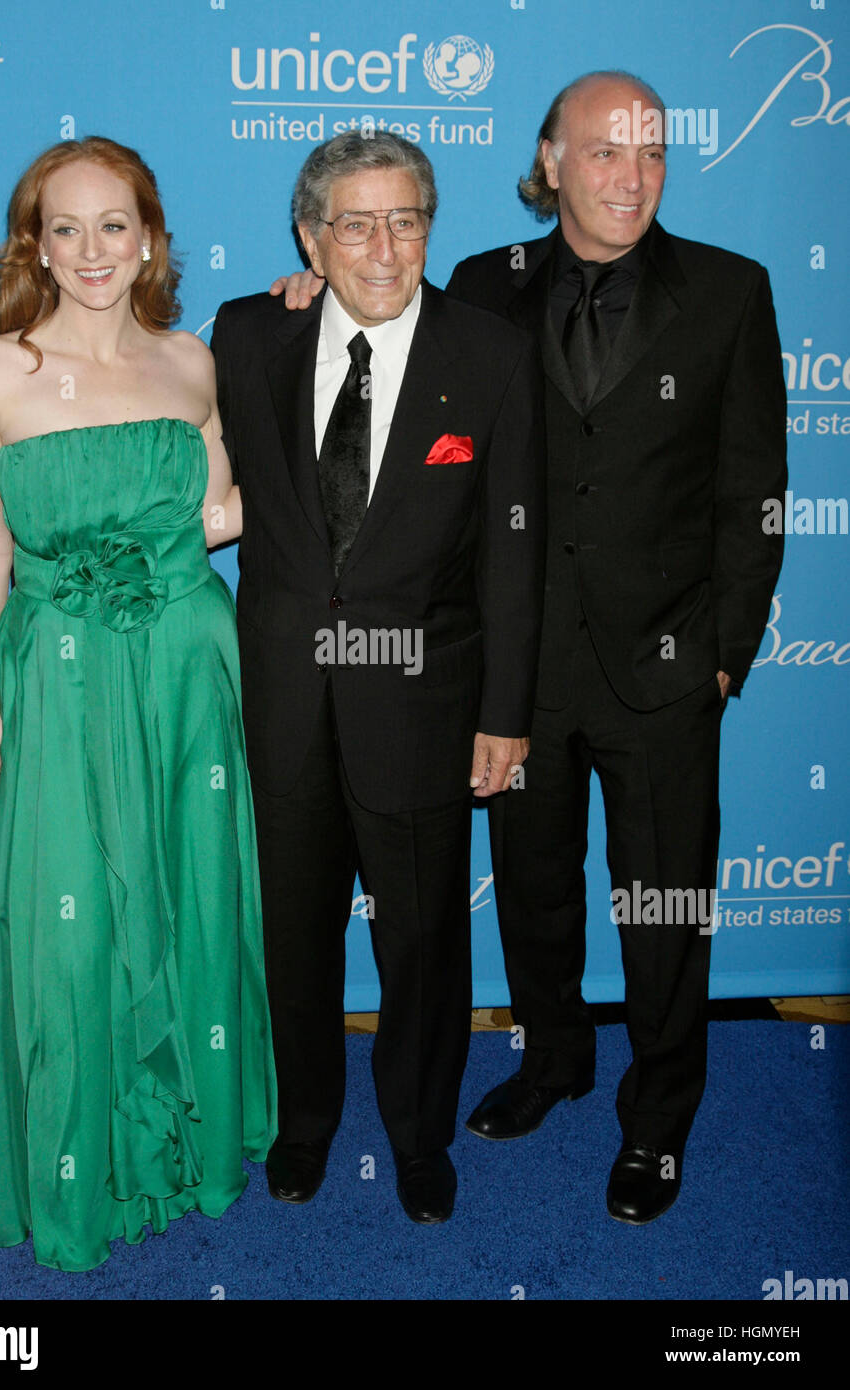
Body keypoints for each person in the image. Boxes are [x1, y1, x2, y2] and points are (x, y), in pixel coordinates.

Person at [274, 71, 787, 1225]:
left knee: (661, 906)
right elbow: (377, 349)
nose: (632, 175)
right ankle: (555, 1057)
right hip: (514, 672)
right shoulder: (477, 286)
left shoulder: (729, 292)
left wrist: (724, 652)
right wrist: (313, 290)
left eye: (652, 152)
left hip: (664, 673)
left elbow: (756, 490)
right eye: (604, 152)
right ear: (551, 162)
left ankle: (660, 1123)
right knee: (537, 897)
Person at [0, 136, 276, 1272]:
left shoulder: (193, 360)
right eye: (67, 228)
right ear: (34, 244)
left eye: (116, 225)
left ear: (151, 239)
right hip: (63, 667)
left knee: (189, 890)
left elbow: (226, 508)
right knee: (71, 922)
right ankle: (82, 1154)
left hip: (185, 658)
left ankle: (189, 1139)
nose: (93, 251)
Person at [212, 131, 545, 1223]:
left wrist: (506, 714)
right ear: (310, 235)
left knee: (423, 938)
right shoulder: (251, 329)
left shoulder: (490, 353)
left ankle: (418, 1133)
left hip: (423, 701)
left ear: (429, 229)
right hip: (286, 698)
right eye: (355, 222)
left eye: (406, 219)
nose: (384, 246)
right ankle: (303, 1124)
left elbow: (512, 549)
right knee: (294, 933)